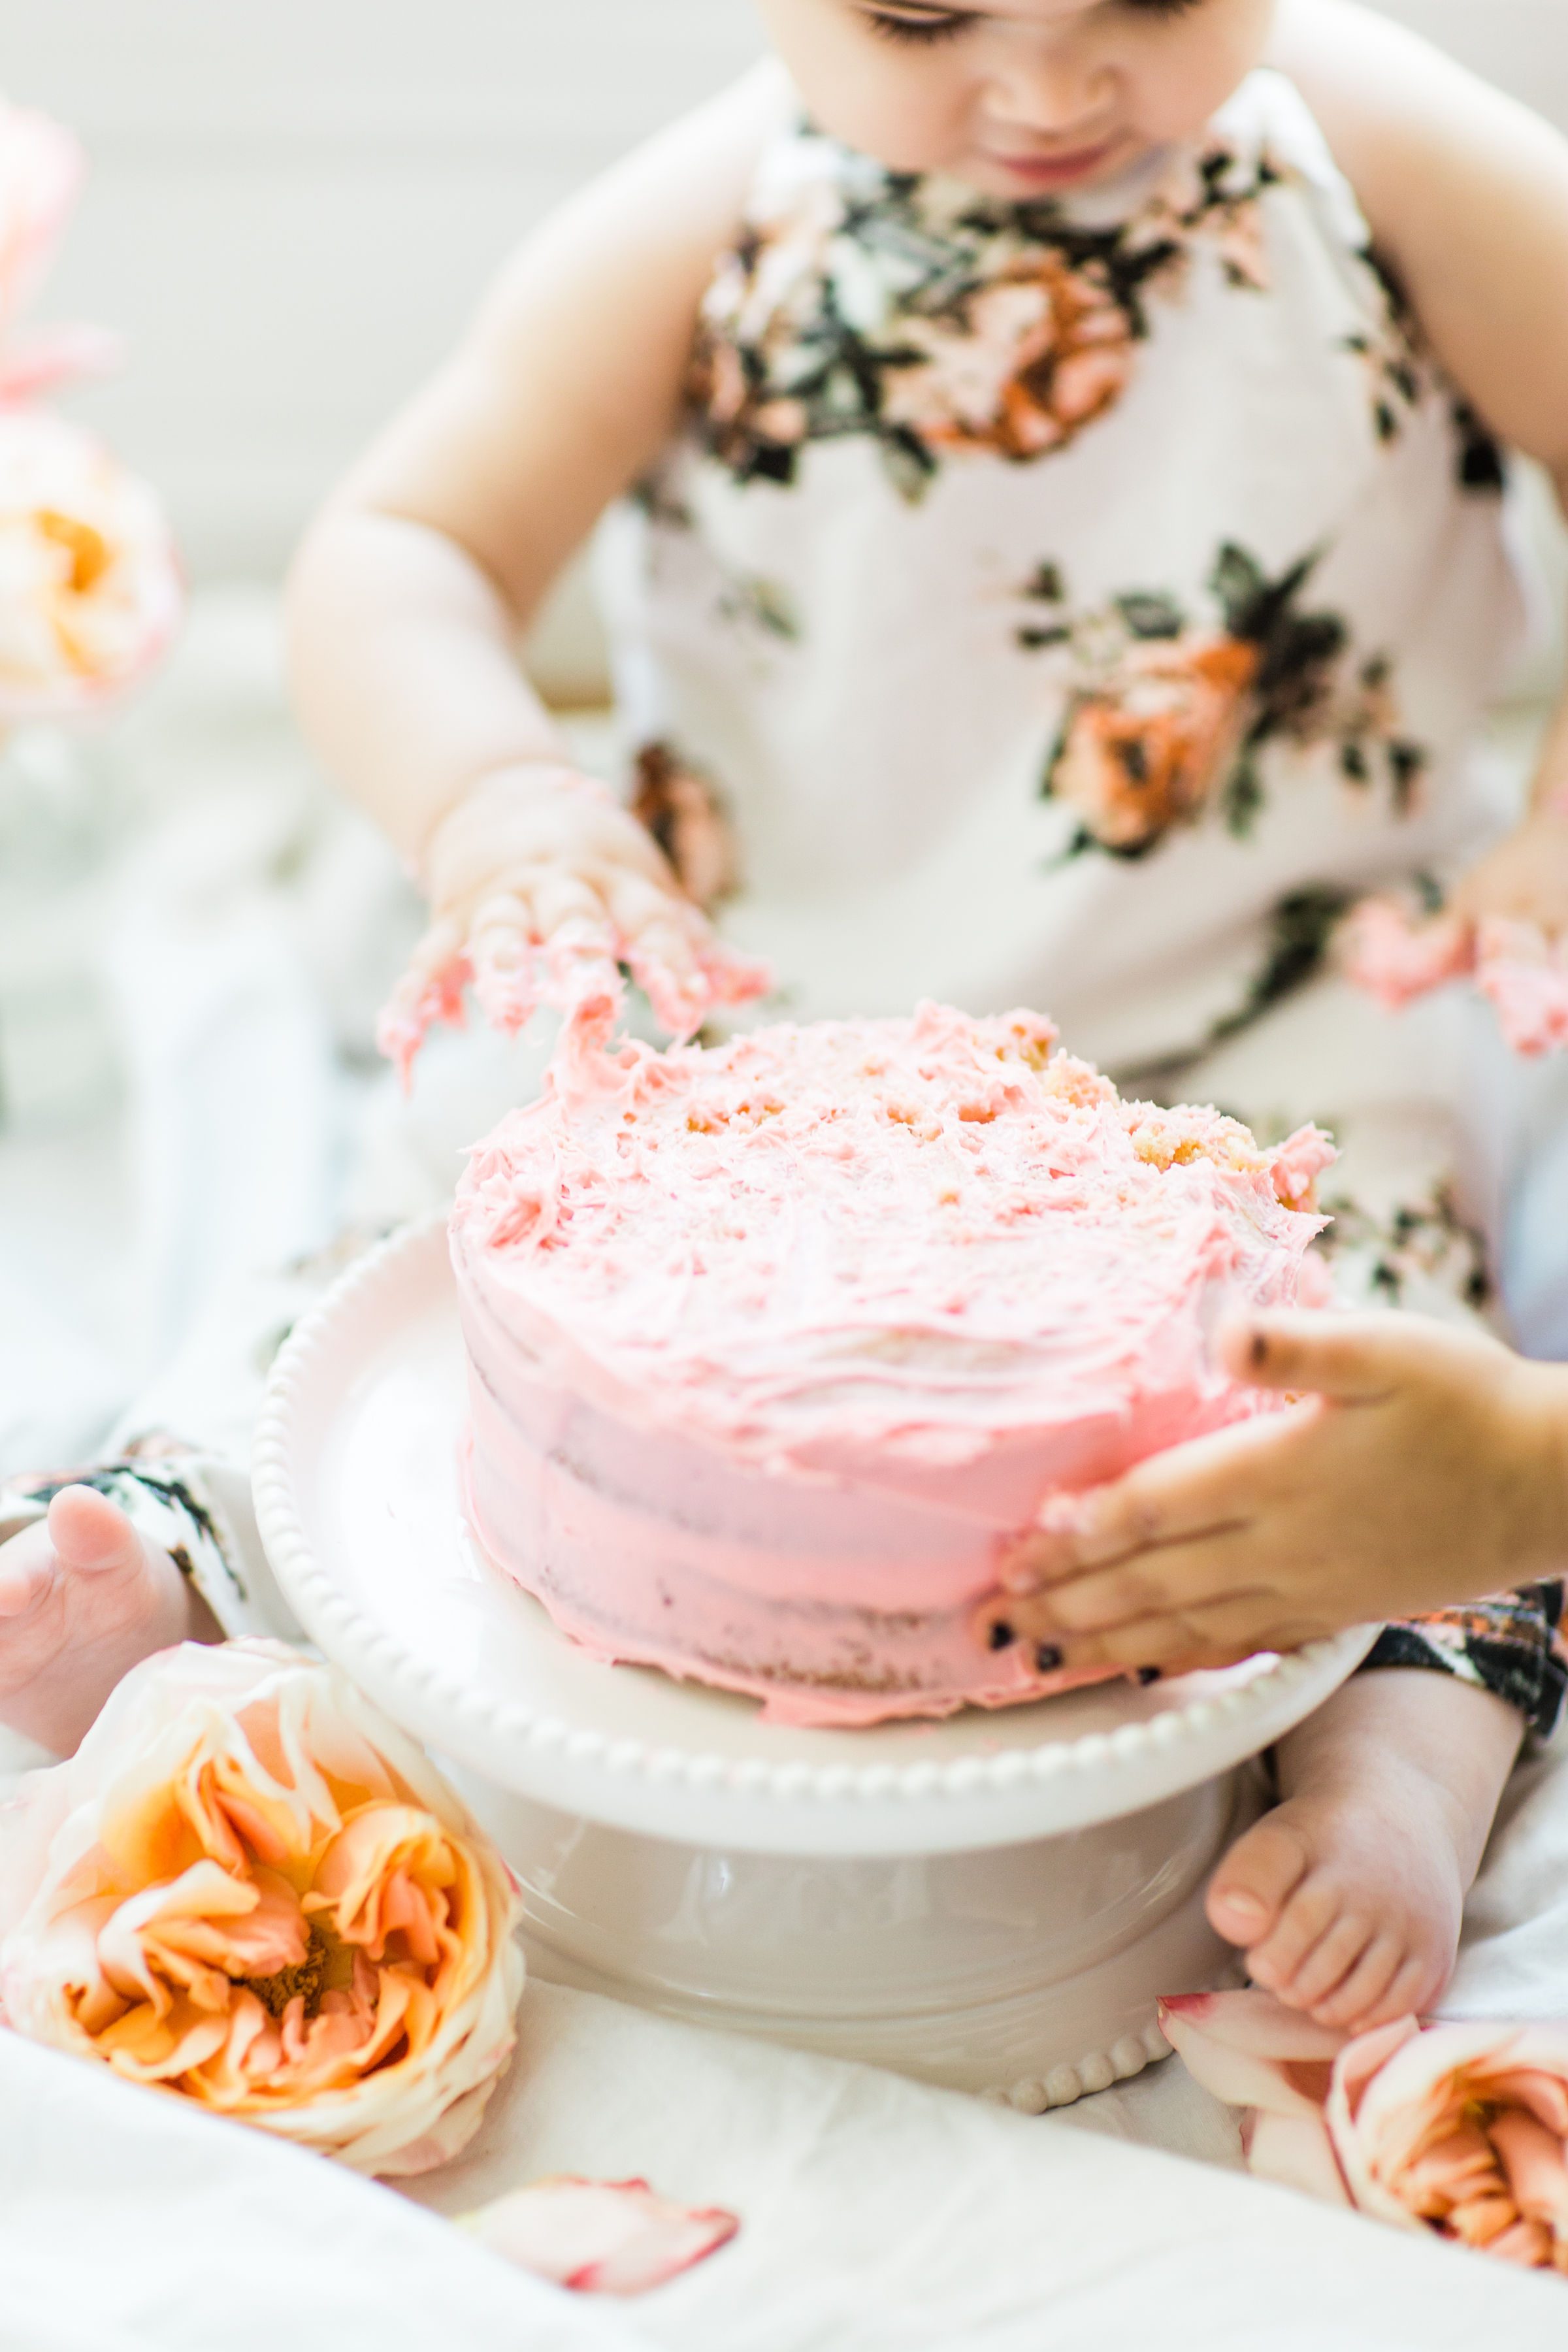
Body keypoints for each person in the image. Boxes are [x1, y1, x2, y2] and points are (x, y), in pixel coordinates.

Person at [10, 0, 1568, 2044]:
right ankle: (181, 1543)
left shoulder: (1399, 162)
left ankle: (1397, 1779)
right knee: (409, 1280)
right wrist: (500, 801)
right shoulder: (706, 218)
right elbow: (407, 549)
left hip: (1260, 1036)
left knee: (1403, 1393)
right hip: (755, 1032)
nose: (1045, 86)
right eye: (925, 13)